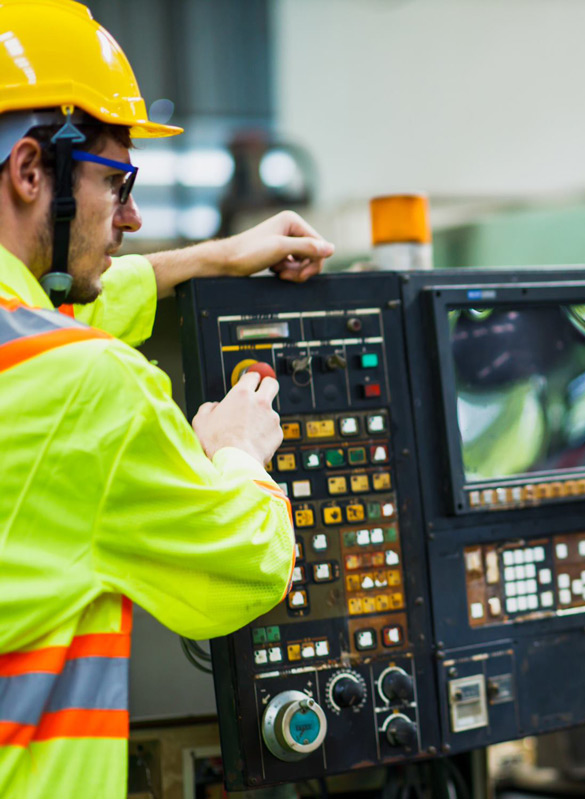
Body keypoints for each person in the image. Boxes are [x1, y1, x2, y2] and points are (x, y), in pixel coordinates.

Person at [0, 2, 335, 797]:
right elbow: (249, 564)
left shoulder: (32, 356)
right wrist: (237, 449)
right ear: (28, 171)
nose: (134, 217)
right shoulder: (89, 387)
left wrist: (213, 259)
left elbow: (53, 311)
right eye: (117, 184)